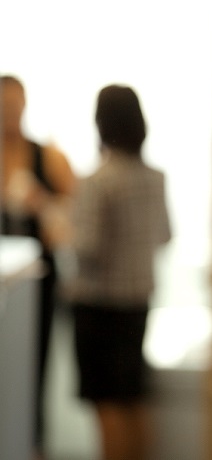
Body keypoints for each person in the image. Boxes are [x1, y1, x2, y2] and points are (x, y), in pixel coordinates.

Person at [68, 84, 171, 460]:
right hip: (138, 301)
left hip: (99, 304)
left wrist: (61, 227)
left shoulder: (98, 181)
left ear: (100, 122)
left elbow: (87, 247)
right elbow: (165, 236)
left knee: (107, 404)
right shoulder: (155, 178)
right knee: (133, 398)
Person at [1, 74, 77, 459]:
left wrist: (41, 204)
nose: (8, 116)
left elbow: (75, 218)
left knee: (33, 369)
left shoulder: (47, 155)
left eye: (14, 107)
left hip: (35, 284)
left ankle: (33, 445)